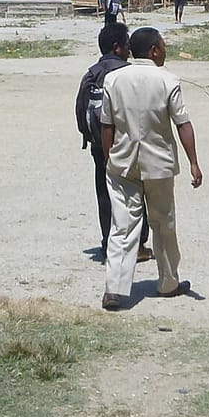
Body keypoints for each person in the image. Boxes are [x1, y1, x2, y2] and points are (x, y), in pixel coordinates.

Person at [98, 27, 202, 309]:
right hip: (159, 164)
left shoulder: (113, 79)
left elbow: (106, 125)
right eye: (163, 46)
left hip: (123, 163)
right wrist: (193, 162)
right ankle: (168, 282)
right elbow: (182, 123)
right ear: (154, 50)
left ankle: (115, 290)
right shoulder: (168, 80)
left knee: (122, 226)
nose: (165, 51)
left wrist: (110, 159)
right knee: (163, 223)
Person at [72, 23, 130, 263]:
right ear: (117, 48)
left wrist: (90, 136)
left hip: (98, 145)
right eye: (126, 44)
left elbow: (79, 109)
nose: (129, 48)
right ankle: (135, 244)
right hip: (126, 145)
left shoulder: (92, 72)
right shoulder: (126, 73)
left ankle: (108, 242)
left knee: (104, 194)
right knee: (132, 195)